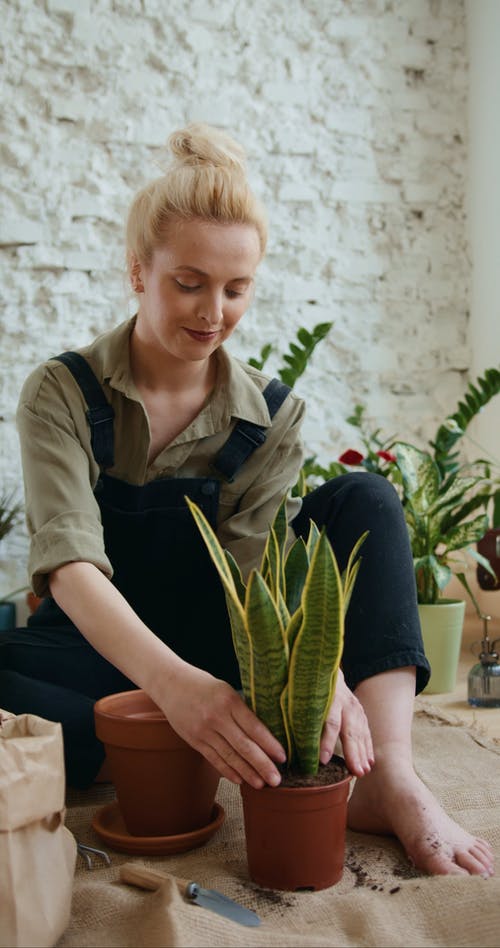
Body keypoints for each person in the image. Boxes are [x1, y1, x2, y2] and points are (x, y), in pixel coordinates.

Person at [0, 124, 494, 879]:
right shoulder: (60, 394)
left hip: (231, 652)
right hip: (103, 647)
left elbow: (267, 571)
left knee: (366, 497)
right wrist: (180, 693)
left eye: (237, 288)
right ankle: (196, 739)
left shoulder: (270, 413)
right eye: (188, 282)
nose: (213, 311)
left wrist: (317, 682)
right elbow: (69, 567)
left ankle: (387, 774)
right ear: (139, 272)